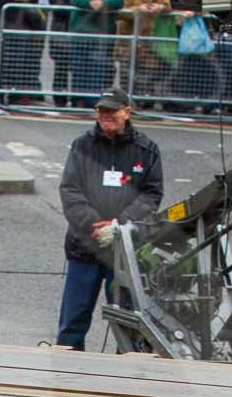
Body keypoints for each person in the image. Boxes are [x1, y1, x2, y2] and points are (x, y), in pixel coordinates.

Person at [56, 88, 162, 350]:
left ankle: (124, 379)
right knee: (72, 322)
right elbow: (70, 191)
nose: (105, 116)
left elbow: (151, 195)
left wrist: (120, 225)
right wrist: (94, 225)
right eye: (101, 111)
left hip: (125, 249)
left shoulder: (146, 149)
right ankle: (66, 378)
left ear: (127, 112)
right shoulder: (82, 145)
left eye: (111, 111)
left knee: (129, 324)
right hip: (85, 247)